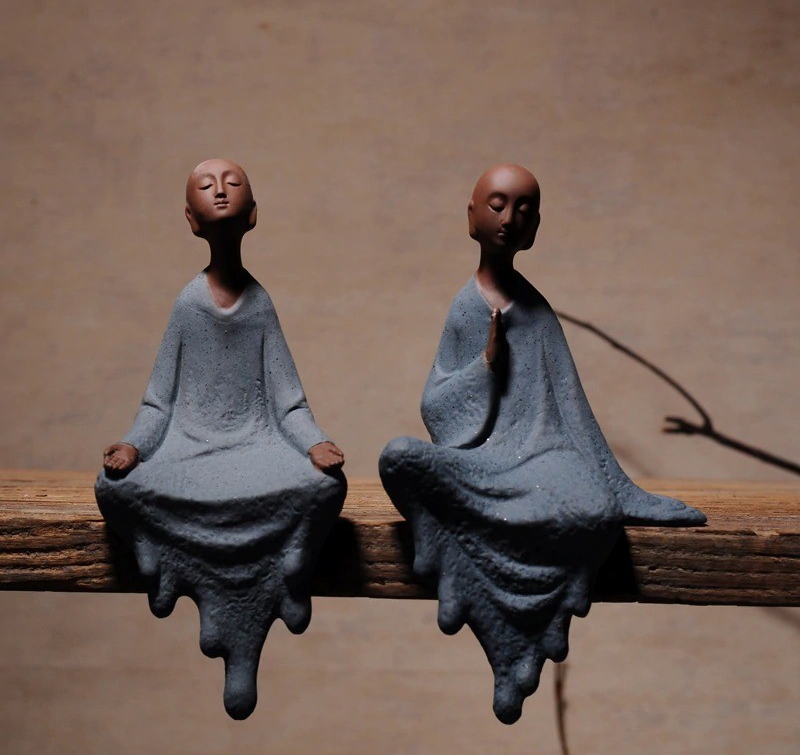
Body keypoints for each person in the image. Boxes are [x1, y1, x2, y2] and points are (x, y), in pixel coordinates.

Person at [379, 164, 705, 724]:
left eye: (524, 209)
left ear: (535, 226)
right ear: (473, 217)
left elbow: (572, 414)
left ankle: (522, 637)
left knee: (597, 510)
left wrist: (619, 487)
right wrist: (485, 366)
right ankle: (468, 577)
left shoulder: (537, 313)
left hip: (543, 458)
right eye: (498, 205)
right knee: (400, 457)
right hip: (482, 463)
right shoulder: (466, 308)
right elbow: (436, 406)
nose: (510, 218)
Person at [96, 159, 346, 720]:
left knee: (326, 488)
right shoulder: (189, 305)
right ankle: (166, 564)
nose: (220, 191)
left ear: (252, 213)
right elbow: (159, 400)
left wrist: (313, 443)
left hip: (257, 448)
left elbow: (287, 401)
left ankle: (290, 569)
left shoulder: (260, 305)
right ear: (191, 219)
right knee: (112, 488)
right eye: (206, 186)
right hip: (190, 450)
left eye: (232, 184)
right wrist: (135, 445)